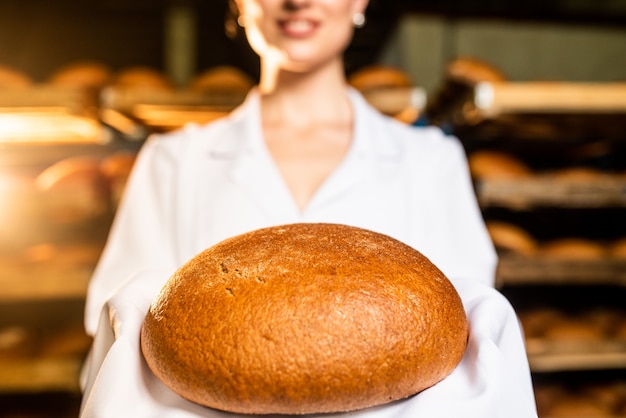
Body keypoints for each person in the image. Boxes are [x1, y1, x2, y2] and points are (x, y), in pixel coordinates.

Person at [79, 0, 538, 416]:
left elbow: (462, 344)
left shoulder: (431, 159)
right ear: (239, 4)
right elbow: (120, 347)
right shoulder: (173, 161)